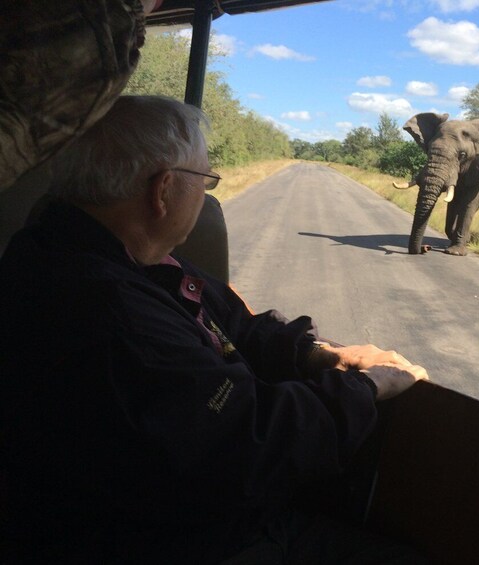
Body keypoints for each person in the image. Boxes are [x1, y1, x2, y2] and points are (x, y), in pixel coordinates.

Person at [0, 95, 429, 564]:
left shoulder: (111, 255)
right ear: (163, 191)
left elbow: (235, 326)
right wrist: (364, 388)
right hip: (169, 540)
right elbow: (245, 445)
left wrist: (315, 356)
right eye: (205, 180)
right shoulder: (107, 309)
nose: (207, 193)